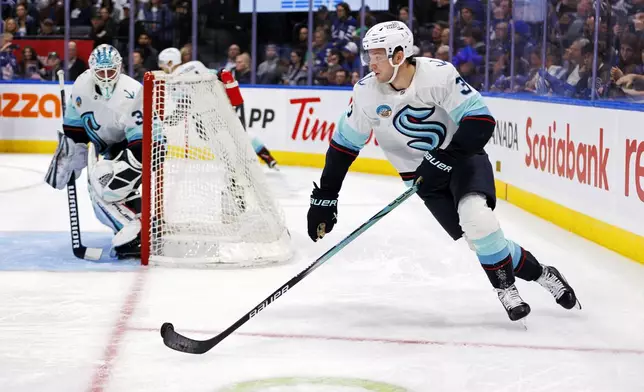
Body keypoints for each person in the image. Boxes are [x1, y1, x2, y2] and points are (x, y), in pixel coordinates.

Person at [306, 21, 580, 322]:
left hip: (462, 158)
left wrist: (444, 157)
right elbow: (343, 146)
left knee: (478, 219)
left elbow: (480, 121)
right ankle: (543, 274)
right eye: (368, 55)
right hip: (422, 179)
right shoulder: (366, 93)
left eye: (378, 55)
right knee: (481, 239)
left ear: (399, 55)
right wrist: (326, 196)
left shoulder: (438, 75)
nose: (371, 63)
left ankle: (506, 288)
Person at [45, 44, 143, 259]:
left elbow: (141, 141)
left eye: (111, 71)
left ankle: (136, 231)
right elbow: (75, 128)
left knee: (103, 182)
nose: (107, 77)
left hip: (137, 148)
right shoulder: (81, 86)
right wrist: (71, 152)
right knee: (98, 190)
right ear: (92, 70)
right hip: (110, 150)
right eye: (101, 72)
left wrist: (126, 166)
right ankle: (131, 224)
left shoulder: (133, 91)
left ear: (120, 69)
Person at [157, 47, 280, 170]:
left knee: (220, 143)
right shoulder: (196, 65)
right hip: (221, 105)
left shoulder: (172, 80)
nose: (162, 69)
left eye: (162, 66)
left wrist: (170, 120)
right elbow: (218, 75)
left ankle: (234, 167)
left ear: (169, 63)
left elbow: (184, 104)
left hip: (204, 117)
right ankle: (266, 157)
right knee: (239, 133)